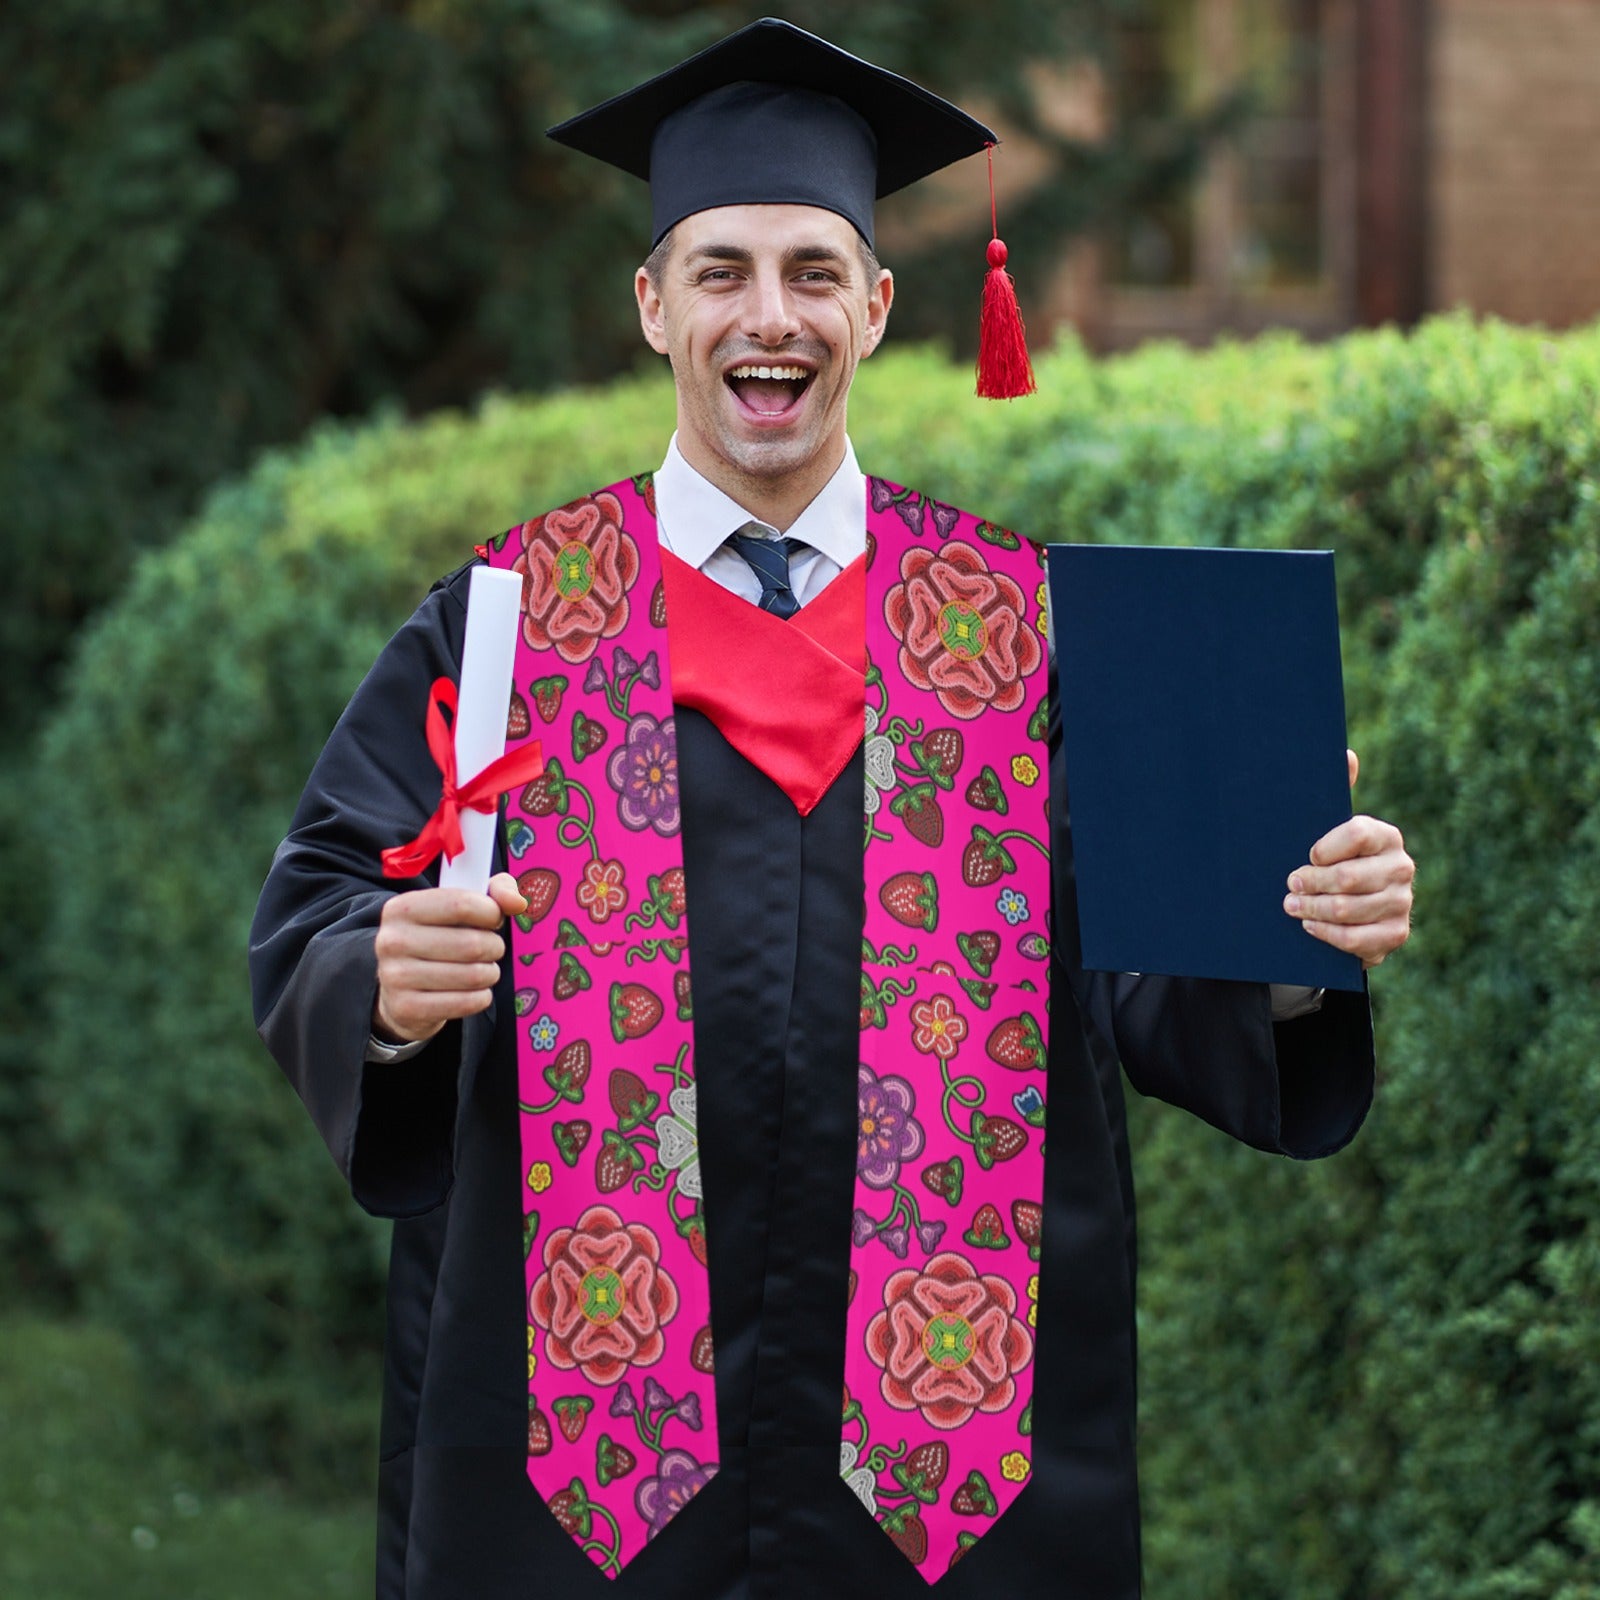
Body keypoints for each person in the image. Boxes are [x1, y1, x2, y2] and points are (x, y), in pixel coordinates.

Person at [249, 19, 1414, 1600]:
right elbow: (323, 901)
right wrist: (380, 983)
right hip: (582, 1471)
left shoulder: (1025, 631)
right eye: (721, 270)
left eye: (812, 270)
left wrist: (1292, 935)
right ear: (654, 305)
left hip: (956, 1466)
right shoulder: (513, 624)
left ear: (876, 305)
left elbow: (1154, 976)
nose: (768, 316)